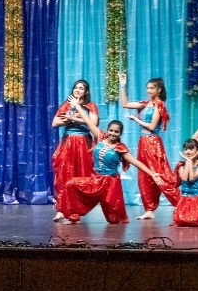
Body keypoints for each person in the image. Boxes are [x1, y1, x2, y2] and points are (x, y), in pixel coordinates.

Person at [62, 96, 163, 224]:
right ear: (107, 130)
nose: (113, 134)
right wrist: (77, 106)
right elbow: (88, 121)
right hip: (96, 180)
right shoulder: (100, 136)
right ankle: (72, 216)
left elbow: (137, 163)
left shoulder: (120, 149)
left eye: (116, 132)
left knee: (115, 220)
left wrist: (153, 173)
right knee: (70, 184)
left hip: (110, 185)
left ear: (120, 134)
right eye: (111, 130)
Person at [119, 72, 179, 220]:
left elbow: (152, 126)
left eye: (152, 88)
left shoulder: (160, 105)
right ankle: (149, 209)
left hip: (153, 143)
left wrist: (136, 120)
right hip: (143, 142)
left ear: (159, 90)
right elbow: (125, 104)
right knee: (144, 176)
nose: (149, 90)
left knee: (160, 175)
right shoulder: (146, 104)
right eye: (147, 88)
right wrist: (122, 85)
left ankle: (181, 203)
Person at [51, 80, 99, 222]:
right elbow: (55, 123)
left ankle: (76, 209)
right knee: (63, 175)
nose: (78, 90)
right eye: (76, 88)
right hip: (68, 143)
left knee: (82, 176)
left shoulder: (90, 106)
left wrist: (76, 114)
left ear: (86, 92)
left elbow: (93, 124)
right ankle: (61, 209)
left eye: (81, 88)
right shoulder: (66, 105)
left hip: (84, 143)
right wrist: (71, 119)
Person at [172, 139, 198, 227]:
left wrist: (189, 162)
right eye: (186, 149)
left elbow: (192, 178)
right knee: (181, 220)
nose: (188, 152)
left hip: (197, 200)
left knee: (194, 220)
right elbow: (185, 178)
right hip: (184, 200)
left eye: (191, 149)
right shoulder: (181, 165)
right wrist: (188, 162)